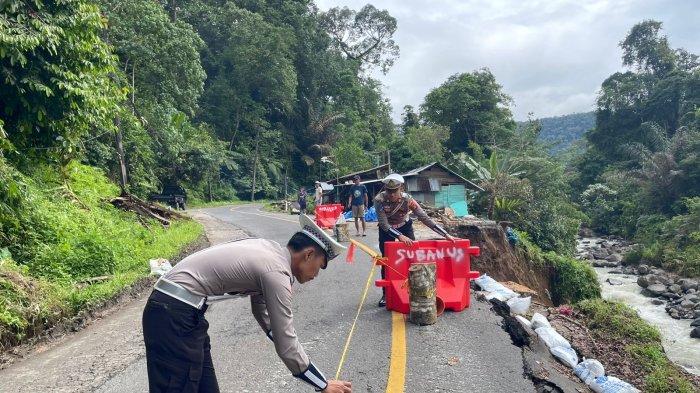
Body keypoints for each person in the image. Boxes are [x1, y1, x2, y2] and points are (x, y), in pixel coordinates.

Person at [142, 215, 352, 393]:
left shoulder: (271, 252)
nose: (317, 274)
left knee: (205, 385)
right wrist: (323, 385)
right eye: (320, 266)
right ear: (308, 255)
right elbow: (286, 343)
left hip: (183, 312)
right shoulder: (276, 273)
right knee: (178, 385)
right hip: (173, 314)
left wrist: (278, 334)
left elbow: (264, 315)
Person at [374, 173, 455, 307]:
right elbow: (384, 224)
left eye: (395, 191)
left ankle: (415, 288)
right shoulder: (379, 200)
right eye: (389, 191)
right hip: (387, 231)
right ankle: (386, 293)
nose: (392, 194)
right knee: (386, 261)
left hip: (405, 226)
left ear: (401, 189)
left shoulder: (408, 200)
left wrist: (445, 234)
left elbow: (424, 217)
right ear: (385, 189)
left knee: (413, 258)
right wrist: (399, 236)